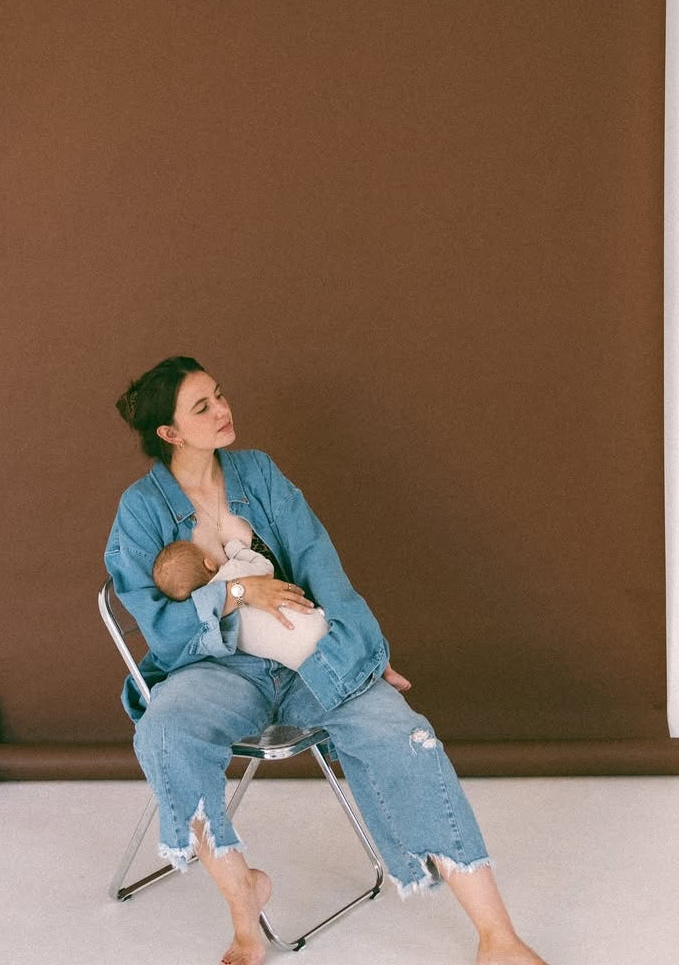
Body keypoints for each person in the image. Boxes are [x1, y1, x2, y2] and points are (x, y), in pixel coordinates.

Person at [105, 356, 549, 965]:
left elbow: (320, 564)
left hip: (308, 659)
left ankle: (498, 938)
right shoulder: (141, 508)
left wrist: (367, 653)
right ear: (169, 433)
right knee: (164, 728)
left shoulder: (256, 472)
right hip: (213, 670)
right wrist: (236, 593)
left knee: (406, 734)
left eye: (220, 394)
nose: (223, 410)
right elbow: (160, 629)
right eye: (201, 407)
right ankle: (244, 909)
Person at [153, 537, 411, 686]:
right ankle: (380, 671)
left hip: (296, 663)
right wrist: (236, 549)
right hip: (310, 624)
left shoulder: (213, 618)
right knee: (346, 639)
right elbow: (265, 567)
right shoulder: (233, 572)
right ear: (208, 562)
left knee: (336, 668)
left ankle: (368, 678)